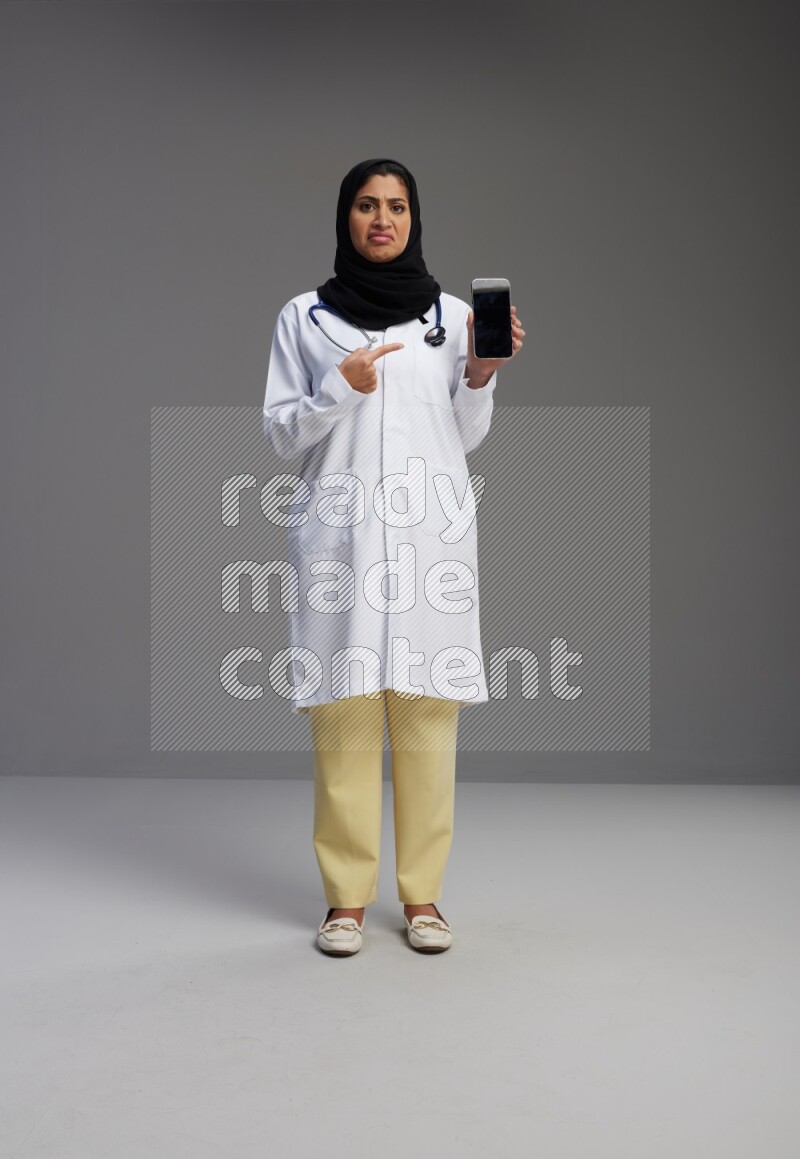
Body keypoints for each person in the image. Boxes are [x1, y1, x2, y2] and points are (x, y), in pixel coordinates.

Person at [262, 157, 525, 955]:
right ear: (346, 217)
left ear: (415, 218)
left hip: (427, 542)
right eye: (368, 206)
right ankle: (345, 900)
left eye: (398, 206)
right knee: (342, 717)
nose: (383, 219)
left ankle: (423, 899)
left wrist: (479, 372)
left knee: (425, 721)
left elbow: (466, 436)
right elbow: (279, 434)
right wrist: (336, 387)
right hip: (340, 540)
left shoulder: (447, 318)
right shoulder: (304, 319)